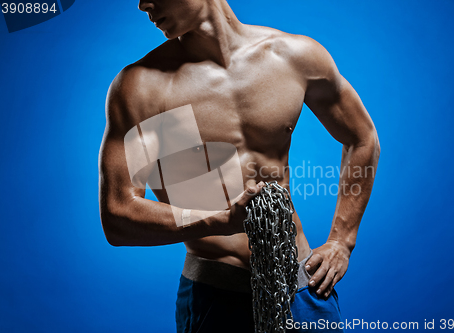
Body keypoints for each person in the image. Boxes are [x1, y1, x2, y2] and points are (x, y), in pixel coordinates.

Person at [98, 0, 380, 332]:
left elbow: (362, 138)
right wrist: (216, 221)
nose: (144, 4)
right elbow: (118, 214)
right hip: (216, 295)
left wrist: (341, 242)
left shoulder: (293, 56)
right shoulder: (143, 87)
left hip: (302, 287)